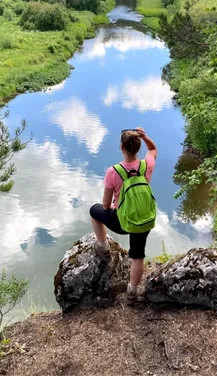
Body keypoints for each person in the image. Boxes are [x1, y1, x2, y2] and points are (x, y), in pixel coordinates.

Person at [89, 127, 157, 306]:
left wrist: (111, 205)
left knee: (94, 211)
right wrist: (145, 136)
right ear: (138, 145)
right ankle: (132, 293)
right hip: (144, 219)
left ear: (121, 147)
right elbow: (153, 150)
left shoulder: (114, 171)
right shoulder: (146, 165)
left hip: (122, 222)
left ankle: (103, 247)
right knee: (138, 256)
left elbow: (105, 204)